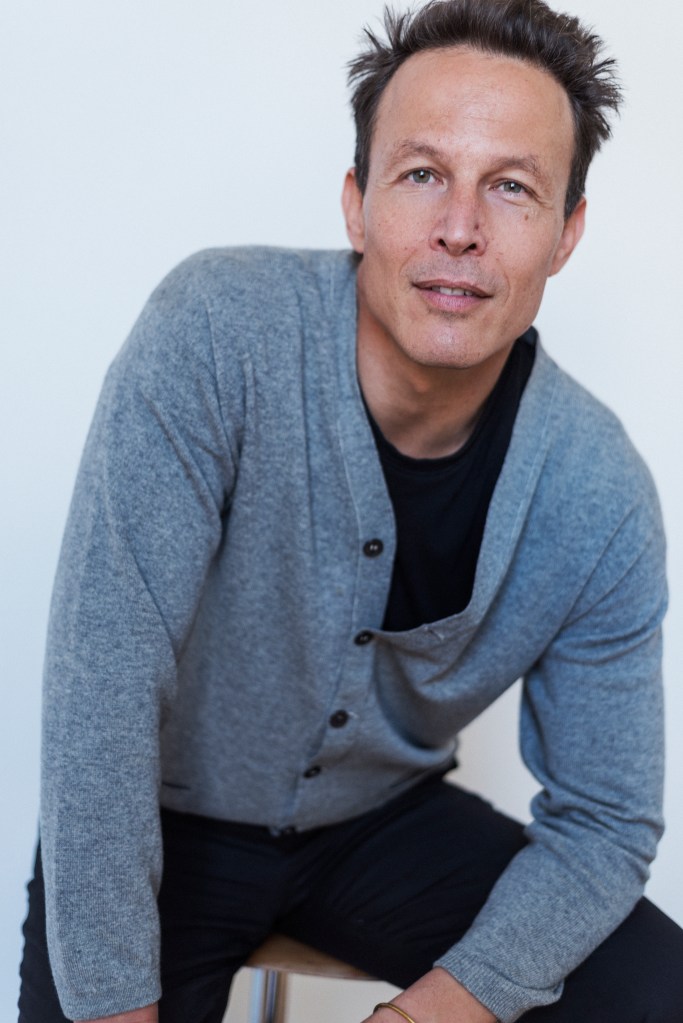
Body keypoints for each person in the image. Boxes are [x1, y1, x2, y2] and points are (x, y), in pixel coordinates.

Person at [18, 1, 683, 1021]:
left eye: (510, 187)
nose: (458, 228)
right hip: (159, 819)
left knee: (655, 986)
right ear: (355, 203)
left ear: (565, 233)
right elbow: (99, 694)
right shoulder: (216, 334)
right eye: (420, 174)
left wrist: (431, 1012)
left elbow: (602, 822)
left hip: (380, 826)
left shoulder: (599, 494)